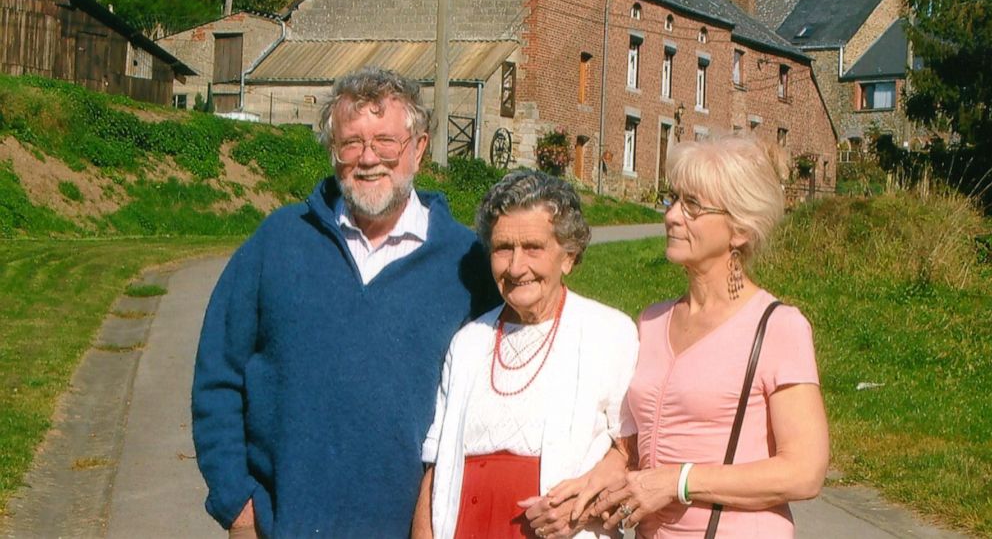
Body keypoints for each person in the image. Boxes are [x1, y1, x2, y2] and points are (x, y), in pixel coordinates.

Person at [191, 67, 499, 537]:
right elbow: (218, 376)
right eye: (351, 143)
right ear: (333, 153)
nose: (368, 158)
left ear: (418, 148)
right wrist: (236, 503)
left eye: (385, 141)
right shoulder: (279, 242)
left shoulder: (465, 263)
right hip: (285, 525)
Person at [592, 135, 829, 538]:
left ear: (739, 229)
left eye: (693, 206)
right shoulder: (650, 321)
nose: (671, 216)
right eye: (672, 200)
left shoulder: (776, 327)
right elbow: (634, 448)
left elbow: (805, 471)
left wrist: (678, 481)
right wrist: (591, 487)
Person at [412, 169, 640, 539]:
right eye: (503, 248)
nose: (516, 267)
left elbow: (632, 454)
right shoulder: (469, 342)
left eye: (533, 247)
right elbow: (437, 465)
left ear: (568, 256)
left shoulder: (609, 333)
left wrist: (583, 505)